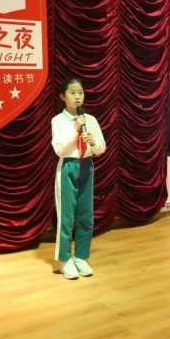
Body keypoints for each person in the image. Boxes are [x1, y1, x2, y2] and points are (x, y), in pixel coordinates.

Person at [51, 78, 106, 279]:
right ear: (62, 96)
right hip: (68, 166)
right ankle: (65, 259)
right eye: (72, 93)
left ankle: (81, 256)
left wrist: (92, 143)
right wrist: (75, 130)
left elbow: (101, 148)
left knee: (86, 216)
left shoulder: (90, 119)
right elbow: (59, 149)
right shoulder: (58, 120)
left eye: (80, 92)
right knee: (66, 217)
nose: (77, 97)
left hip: (86, 166)